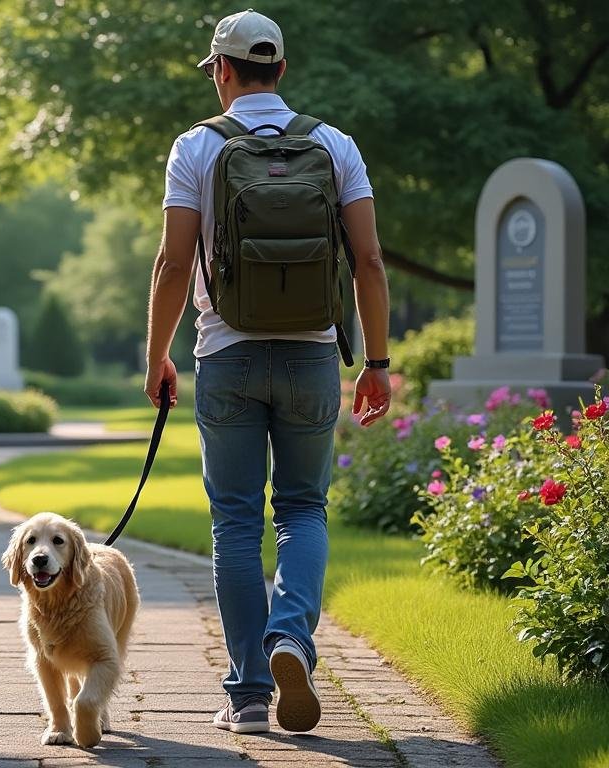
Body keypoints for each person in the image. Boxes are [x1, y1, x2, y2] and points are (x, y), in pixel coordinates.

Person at [143, 8, 392, 735]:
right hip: (313, 355)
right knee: (304, 510)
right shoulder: (334, 144)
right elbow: (370, 261)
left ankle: (250, 695)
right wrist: (376, 362)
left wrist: (157, 355)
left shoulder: (196, 146)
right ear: (281, 69)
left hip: (226, 354)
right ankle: (291, 637)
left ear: (222, 70)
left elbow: (173, 264)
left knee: (235, 521)